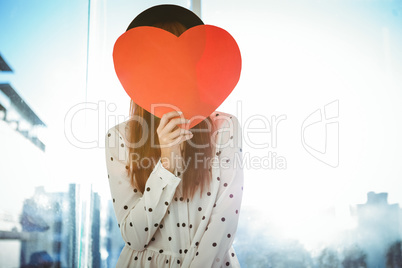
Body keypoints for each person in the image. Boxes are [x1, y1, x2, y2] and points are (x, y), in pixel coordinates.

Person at [105, 5, 244, 267]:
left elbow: (226, 219)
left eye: (183, 58)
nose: (171, 69)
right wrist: (167, 164)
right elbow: (134, 236)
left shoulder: (225, 128)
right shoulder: (119, 137)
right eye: (158, 60)